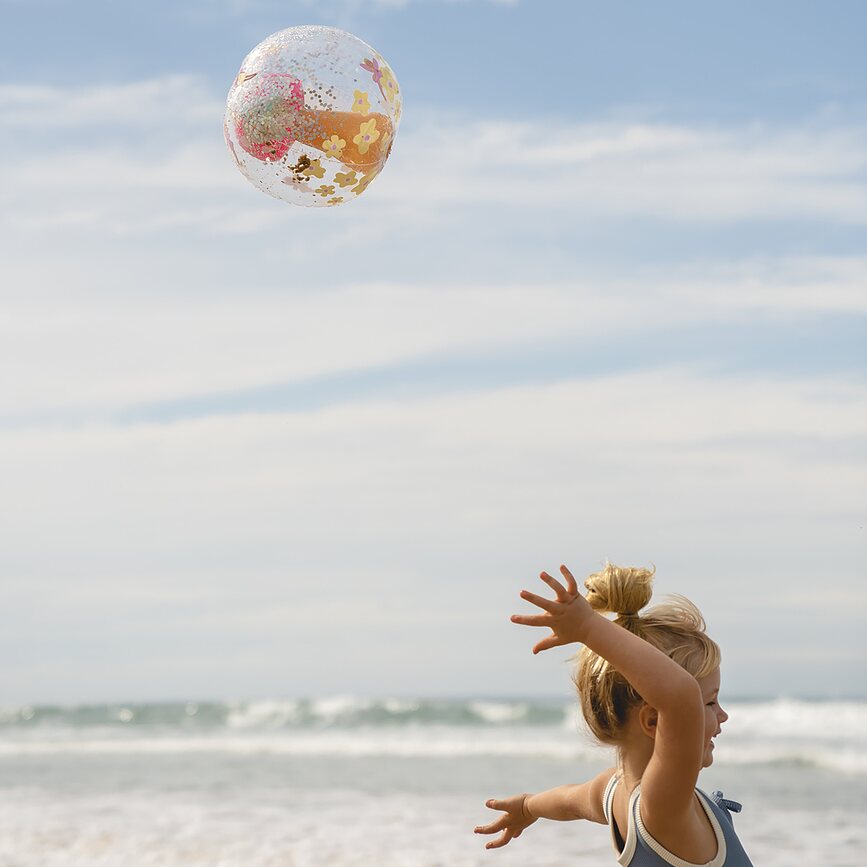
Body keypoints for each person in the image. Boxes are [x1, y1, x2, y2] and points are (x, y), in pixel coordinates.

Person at [474, 563, 754, 866]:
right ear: (653, 721)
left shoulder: (613, 791)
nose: (723, 715)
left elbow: (569, 801)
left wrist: (529, 806)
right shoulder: (661, 808)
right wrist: (587, 628)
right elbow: (680, 697)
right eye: (710, 703)